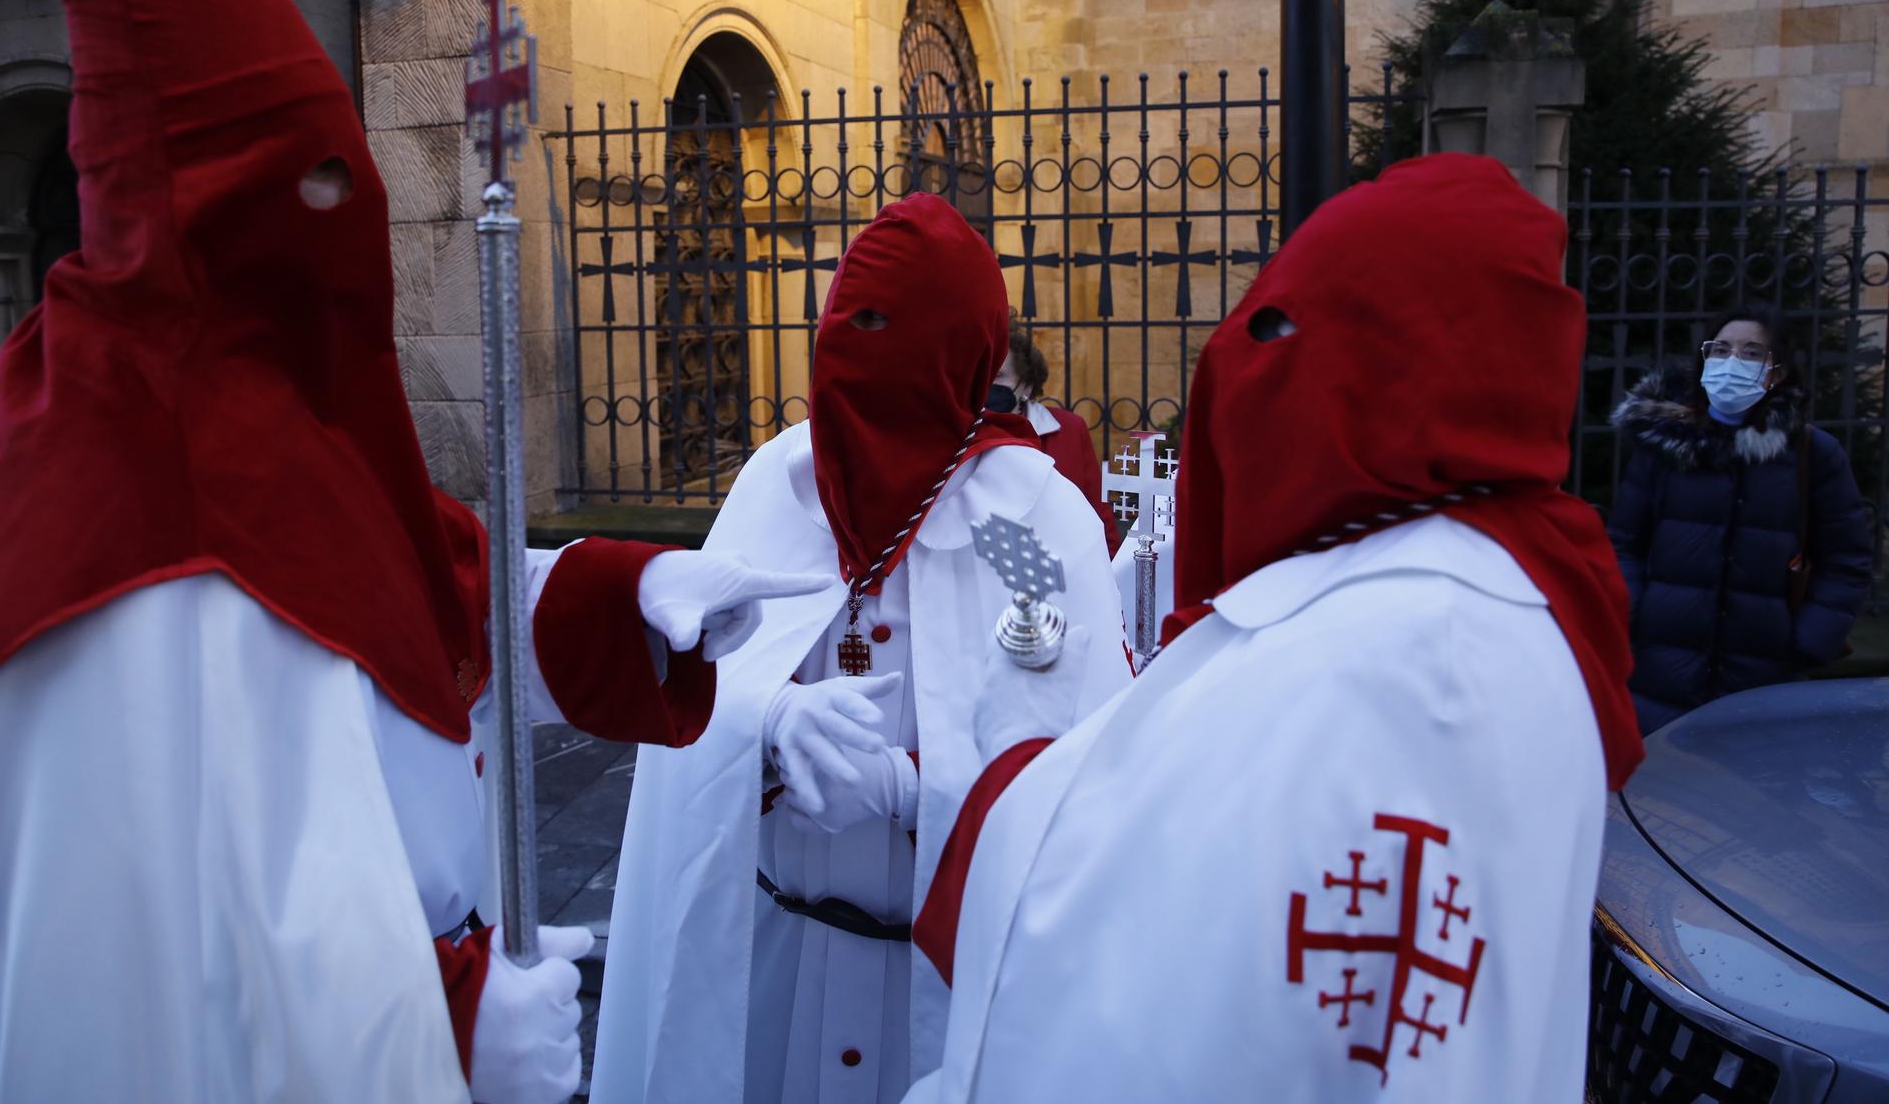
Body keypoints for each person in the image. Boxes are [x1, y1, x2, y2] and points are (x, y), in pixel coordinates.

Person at [0, 0, 819, 1098]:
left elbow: (416, 606)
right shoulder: (138, 522)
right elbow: (164, 995)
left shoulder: (277, 425)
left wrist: (632, 588)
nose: (345, 234)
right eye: (308, 191)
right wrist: (448, 1031)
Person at [903, 154, 1646, 1103]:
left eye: (1278, 329)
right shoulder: (1419, 597)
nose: (1235, 369)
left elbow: (1180, 932)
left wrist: (1010, 759)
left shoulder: (1436, 657)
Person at [538, 193, 1133, 1104]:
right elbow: (706, 681)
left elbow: (1066, 750)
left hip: (931, 992)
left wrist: (912, 788)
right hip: (773, 972)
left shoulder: (1025, 518)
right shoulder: (779, 487)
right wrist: (764, 722)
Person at [1608, 304, 1872, 733]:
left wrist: (1806, 641)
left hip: (1762, 679)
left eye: (1752, 353)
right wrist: (1633, 614)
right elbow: (1623, 544)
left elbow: (1847, 560)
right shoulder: (1665, 446)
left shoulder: (1812, 454)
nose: (1732, 362)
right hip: (1659, 673)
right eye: (1721, 349)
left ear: (1778, 372)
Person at [986, 318, 1123, 556]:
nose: (987, 385)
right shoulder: (959, 436)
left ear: (1026, 385)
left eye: (998, 376)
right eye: (981, 375)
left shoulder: (1068, 430)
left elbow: (1098, 518)